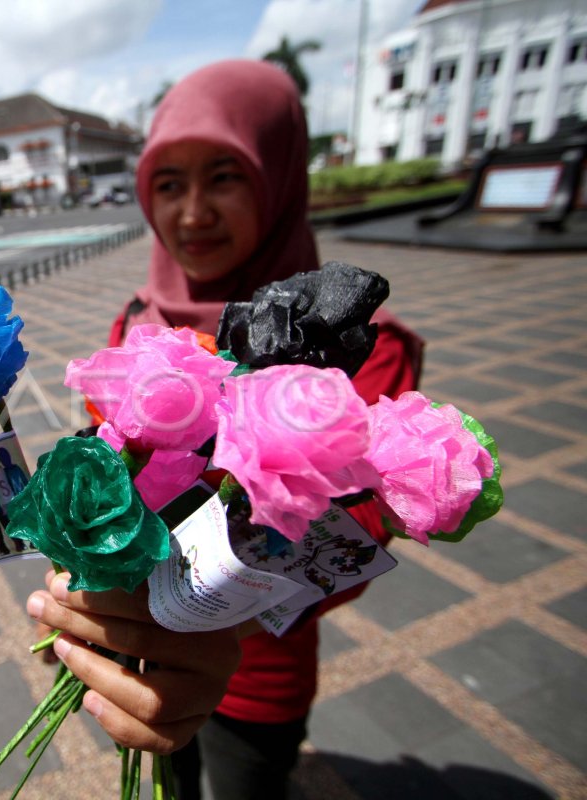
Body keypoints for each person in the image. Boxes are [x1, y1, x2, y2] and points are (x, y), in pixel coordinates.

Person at [23, 60, 423, 800]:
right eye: (168, 183)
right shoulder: (139, 322)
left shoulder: (359, 345)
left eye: (225, 175)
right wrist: (87, 588)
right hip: (138, 656)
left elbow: (360, 524)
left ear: (279, 179)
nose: (193, 212)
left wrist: (200, 625)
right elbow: (111, 478)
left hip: (258, 666)